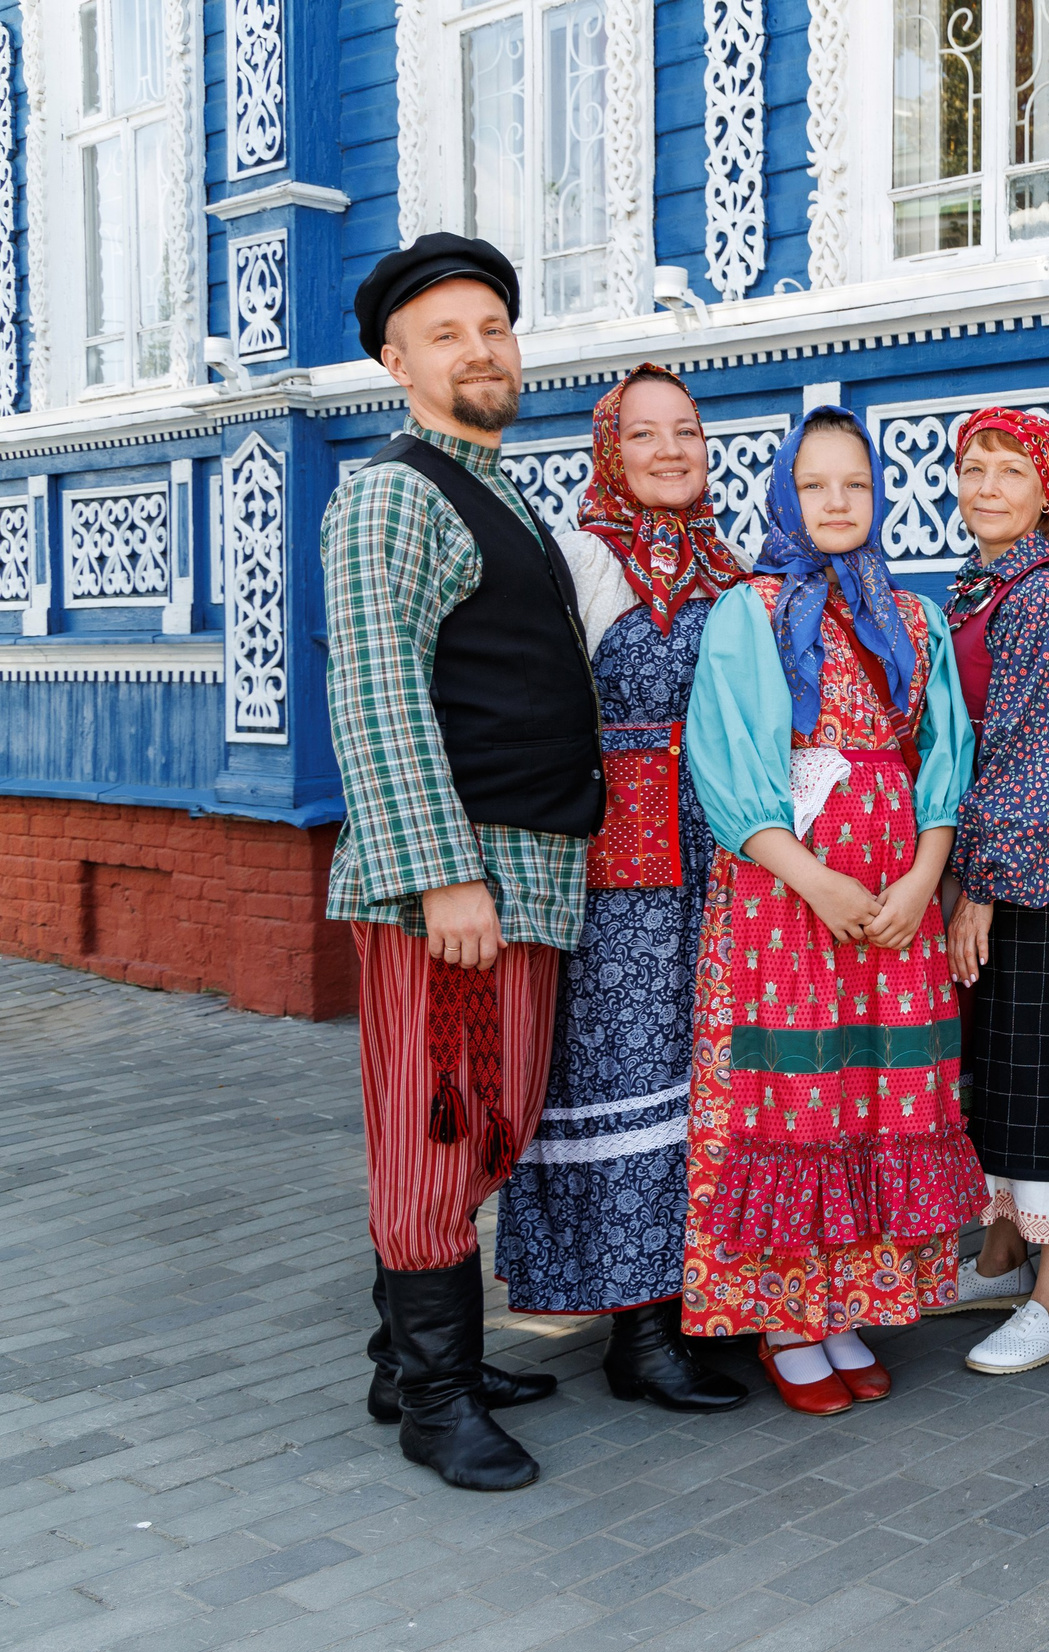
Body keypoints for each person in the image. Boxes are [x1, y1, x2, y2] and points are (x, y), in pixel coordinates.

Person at [326, 235, 601, 1493]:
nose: (479, 349)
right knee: (438, 1135)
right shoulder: (392, 490)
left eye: (492, 325)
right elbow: (380, 695)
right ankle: (436, 1404)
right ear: (397, 360)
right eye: (447, 333)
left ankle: (409, 1359)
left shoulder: (492, 486)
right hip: (456, 878)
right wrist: (444, 879)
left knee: (487, 1126)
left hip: (523, 869)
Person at [682, 407, 986, 1416]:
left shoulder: (913, 617)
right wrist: (815, 880)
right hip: (787, 896)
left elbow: (942, 759)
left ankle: (846, 1303)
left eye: (854, 483)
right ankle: (784, 1320)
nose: (838, 503)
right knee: (797, 1098)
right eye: (815, 486)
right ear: (783, 497)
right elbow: (724, 765)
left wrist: (919, 883)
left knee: (873, 1096)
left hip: (893, 897)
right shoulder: (749, 613)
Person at [487, 363, 750, 1415]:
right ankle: (634, 1335)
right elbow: (541, 705)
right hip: (624, 865)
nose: (673, 450)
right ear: (611, 450)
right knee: (625, 1077)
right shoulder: (582, 559)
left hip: (723, 852)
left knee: (707, 1077)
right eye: (647, 435)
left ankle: (691, 1302)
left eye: (686, 430)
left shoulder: (728, 564)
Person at [935, 407, 1049, 1376]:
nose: (987, 484)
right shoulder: (978, 589)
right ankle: (1005, 1252)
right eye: (973, 467)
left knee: (1045, 1072)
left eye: (1010, 468)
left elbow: (1037, 756)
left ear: (1048, 491)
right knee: (1000, 1063)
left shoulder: (1046, 594)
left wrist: (985, 888)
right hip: (995, 857)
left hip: (1037, 863)